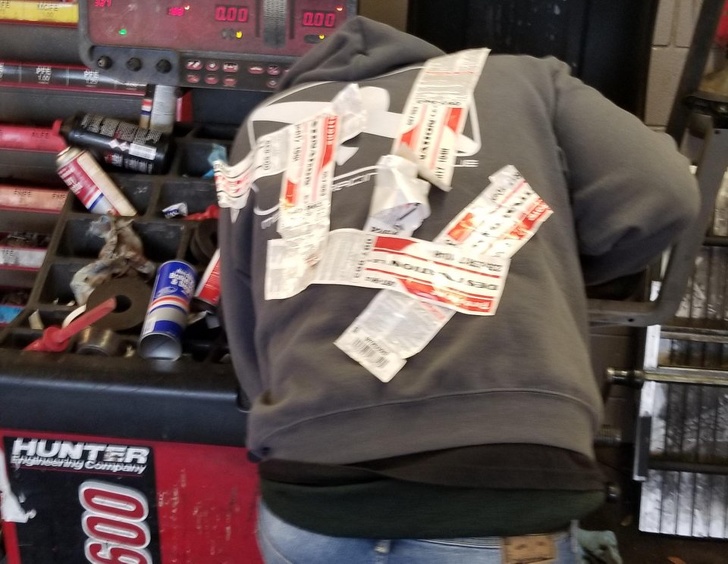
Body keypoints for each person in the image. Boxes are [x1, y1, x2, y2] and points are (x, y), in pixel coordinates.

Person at [216, 16, 700, 563]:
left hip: (309, 494)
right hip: (501, 495)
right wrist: (559, 271)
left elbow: (243, 309)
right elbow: (666, 194)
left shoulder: (263, 126)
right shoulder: (522, 79)